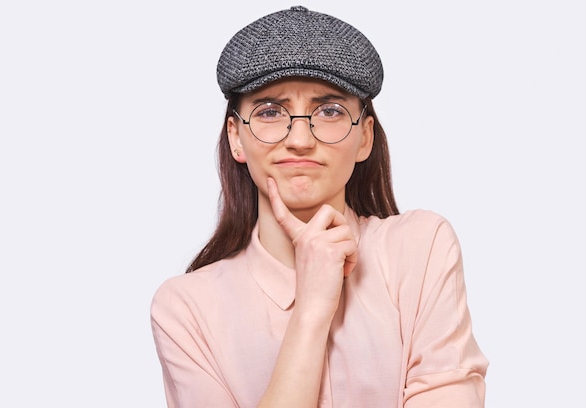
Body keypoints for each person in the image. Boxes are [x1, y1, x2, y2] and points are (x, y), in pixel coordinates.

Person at [150, 5, 489, 407]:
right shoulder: (186, 309)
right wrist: (311, 309)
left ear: (364, 137)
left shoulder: (420, 247)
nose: (299, 139)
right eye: (270, 111)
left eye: (329, 111)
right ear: (235, 138)